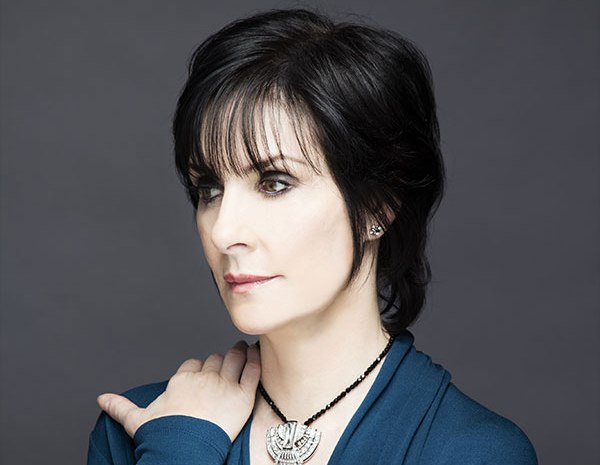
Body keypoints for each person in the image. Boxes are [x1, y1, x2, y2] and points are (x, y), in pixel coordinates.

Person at [87, 8, 538, 465]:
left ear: (377, 205)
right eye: (209, 189)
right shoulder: (143, 430)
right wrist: (179, 444)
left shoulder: (471, 451)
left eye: (274, 183)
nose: (223, 232)